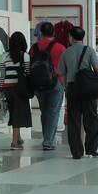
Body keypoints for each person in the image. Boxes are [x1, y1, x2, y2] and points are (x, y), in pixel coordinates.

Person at [57, 25, 98, 159]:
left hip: (73, 88)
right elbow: (97, 69)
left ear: (70, 37)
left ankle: (76, 151)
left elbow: (61, 74)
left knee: (74, 120)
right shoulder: (89, 50)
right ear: (83, 37)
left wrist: (66, 86)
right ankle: (91, 149)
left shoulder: (65, 52)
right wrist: (95, 83)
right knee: (92, 118)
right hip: (88, 88)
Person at [31, 21, 67, 151]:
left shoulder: (34, 47)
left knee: (44, 111)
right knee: (53, 111)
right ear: (53, 32)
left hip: (38, 84)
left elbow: (30, 65)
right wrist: (65, 84)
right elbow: (64, 68)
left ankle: (47, 138)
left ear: (41, 32)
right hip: (55, 83)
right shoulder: (60, 48)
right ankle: (47, 141)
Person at [1, 30, 32, 149]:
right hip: (20, 88)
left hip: (7, 89)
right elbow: (28, 73)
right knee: (18, 114)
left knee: (14, 112)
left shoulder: (5, 55)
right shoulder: (25, 56)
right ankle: (14, 142)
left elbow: (2, 75)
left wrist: (0, 89)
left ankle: (18, 138)